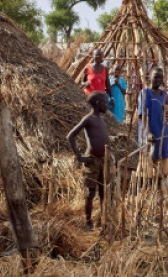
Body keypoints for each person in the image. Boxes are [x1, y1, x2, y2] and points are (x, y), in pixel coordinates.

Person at [67, 91, 111, 231]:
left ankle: (103, 220)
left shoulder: (102, 120)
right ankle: (88, 221)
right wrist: (80, 156)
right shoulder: (89, 119)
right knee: (90, 192)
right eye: (105, 102)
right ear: (98, 103)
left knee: (104, 191)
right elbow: (70, 136)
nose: (107, 104)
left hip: (104, 161)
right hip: (92, 161)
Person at [143, 68, 168, 185]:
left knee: (163, 155)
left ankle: (160, 183)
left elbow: (165, 112)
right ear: (150, 77)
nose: (157, 80)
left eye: (160, 77)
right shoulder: (145, 93)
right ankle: (149, 185)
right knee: (149, 156)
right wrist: (148, 132)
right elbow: (142, 115)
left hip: (162, 129)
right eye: (155, 77)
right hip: (150, 129)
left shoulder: (164, 94)